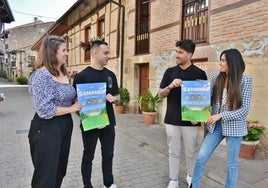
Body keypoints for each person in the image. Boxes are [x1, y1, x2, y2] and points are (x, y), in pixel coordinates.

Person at [190, 48, 252, 188]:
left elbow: (244, 110)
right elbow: (206, 100)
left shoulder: (246, 81)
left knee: (231, 165)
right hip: (215, 126)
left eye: (223, 60)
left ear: (232, 62)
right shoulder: (216, 77)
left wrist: (221, 115)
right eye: (220, 60)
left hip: (235, 128)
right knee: (200, 158)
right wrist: (197, 116)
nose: (220, 63)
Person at [28, 35, 82, 188]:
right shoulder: (41, 76)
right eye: (64, 50)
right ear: (52, 52)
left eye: (67, 50)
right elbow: (44, 109)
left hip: (65, 124)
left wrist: (75, 101)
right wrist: (72, 108)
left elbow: (65, 96)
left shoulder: (63, 73)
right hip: (46, 128)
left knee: (59, 170)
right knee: (46, 175)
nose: (67, 53)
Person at [158, 39, 207, 188]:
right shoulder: (170, 72)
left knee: (191, 151)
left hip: (191, 121)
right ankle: (173, 179)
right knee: (173, 151)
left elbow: (203, 99)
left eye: (180, 52)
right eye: (176, 51)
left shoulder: (200, 73)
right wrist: (170, 86)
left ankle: (190, 176)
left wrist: (199, 118)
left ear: (189, 54)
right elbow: (160, 94)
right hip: (172, 119)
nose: (177, 55)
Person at [73, 39, 119, 188]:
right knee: (88, 156)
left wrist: (114, 99)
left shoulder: (111, 75)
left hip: (108, 123)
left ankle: (109, 183)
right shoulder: (81, 77)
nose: (108, 56)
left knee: (108, 155)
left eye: (109, 53)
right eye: (106, 53)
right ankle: (87, 185)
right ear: (95, 53)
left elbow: (118, 97)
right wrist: (89, 119)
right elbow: (75, 103)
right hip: (90, 124)